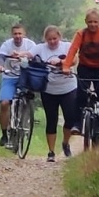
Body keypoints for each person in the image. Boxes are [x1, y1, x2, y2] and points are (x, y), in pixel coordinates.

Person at [64, 9, 99, 145]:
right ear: (86, 22)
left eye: (95, 22)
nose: (93, 24)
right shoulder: (81, 34)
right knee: (81, 96)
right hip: (84, 67)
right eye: (90, 22)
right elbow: (73, 50)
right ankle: (77, 123)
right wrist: (66, 66)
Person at [33, 25, 77, 162]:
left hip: (68, 87)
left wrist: (61, 62)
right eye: (49, 39)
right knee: (51, 120)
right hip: (49, 89)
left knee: (70, 118)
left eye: (54, 39)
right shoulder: (40, 48)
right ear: (45, 39)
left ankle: (65, 142)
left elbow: (74, 60)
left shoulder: (67, 46)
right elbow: (29, 54)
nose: (52, 41)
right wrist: (20, 55)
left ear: (59, 37)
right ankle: (51, 152)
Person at [0, 22, 35, 146]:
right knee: (4, 103)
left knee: (28, 96)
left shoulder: (30, 45)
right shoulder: (6, 45)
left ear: (24, 34)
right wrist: (0, 66)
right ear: (12, 35)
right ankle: (4, 134)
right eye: (15, 34)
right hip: (9, 77)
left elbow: (37, 57)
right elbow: (1, 58)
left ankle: (25, 118)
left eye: (20, 33)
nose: (18, 36)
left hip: (25, 78)